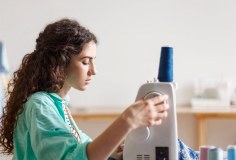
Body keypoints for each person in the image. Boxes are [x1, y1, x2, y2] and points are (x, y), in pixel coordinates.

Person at [0, 18, 199, 160]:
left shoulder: (59, 104)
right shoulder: (40, 105)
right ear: (60, 62)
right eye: (86, 62)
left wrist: (114, 151)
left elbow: (83, 147)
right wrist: (127, 120)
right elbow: (78, 157)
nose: (94, 71)